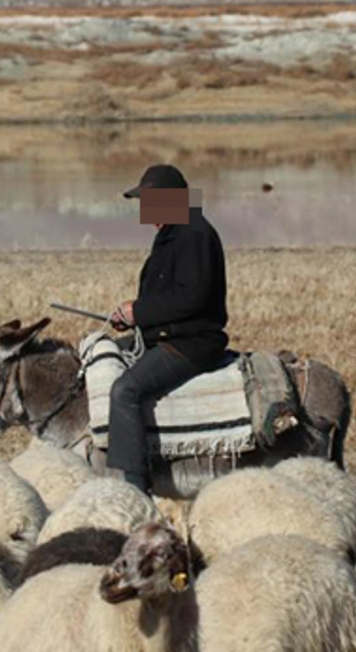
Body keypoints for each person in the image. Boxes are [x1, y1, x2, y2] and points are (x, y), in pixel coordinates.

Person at [107, 164, 228, 494]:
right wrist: (133, 317)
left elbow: (193, 297)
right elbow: (166, 295)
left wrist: (140, 311)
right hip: (167, 333)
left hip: (192, 342)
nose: (144, 210)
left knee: (125, 390)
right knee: (102, 354)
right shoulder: (175, 231)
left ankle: (133, 485)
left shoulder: (194, 234)